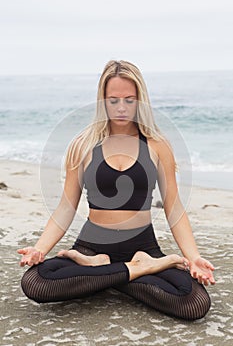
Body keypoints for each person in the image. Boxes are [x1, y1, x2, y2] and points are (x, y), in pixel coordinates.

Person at [17, 60, 215, 320]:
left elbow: (174, 208)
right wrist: (40, 248)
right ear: (102, 101)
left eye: (129, 100)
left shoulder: (157, 145)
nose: (121, 108)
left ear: (140, 100)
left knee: (194, 302)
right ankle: (135, 270)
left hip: (144, 246)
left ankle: (107, 273)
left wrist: (194, 257)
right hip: (90, 248)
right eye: (113, 101)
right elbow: (66, 207)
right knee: (36, 282)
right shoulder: (83, 145)